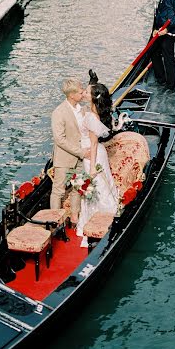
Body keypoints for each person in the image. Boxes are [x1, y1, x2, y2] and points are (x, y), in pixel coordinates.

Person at [76, 83, 119, 247]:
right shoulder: (90, 113)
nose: (84, 93)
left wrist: (93, 167)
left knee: (97, 189)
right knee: (93, 190)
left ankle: (101, 222)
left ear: (93, 97)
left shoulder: (92, 117)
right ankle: (90, 223)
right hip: (92, 155)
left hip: (94, 157)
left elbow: (93, 144)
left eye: (87, 91)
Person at [51, 78, 91, 225]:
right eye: (81, 92)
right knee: (59, 191)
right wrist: (81, 152)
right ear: (72, 95)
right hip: (65, 158)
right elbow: (59, 140)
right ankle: (55, 221)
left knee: (77, 187)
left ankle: (74, 217)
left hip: (80, 157)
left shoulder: (83, 109)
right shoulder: (59, 112)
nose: (83, 94)